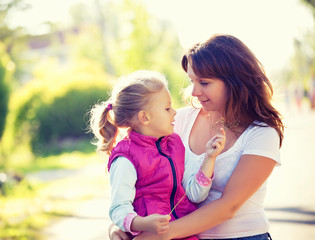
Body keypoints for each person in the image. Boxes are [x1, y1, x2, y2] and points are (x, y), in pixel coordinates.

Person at [109, 34, 284, 240]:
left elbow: (229, 206)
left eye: (204, 82)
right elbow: (144, 180)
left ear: (234, 80)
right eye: (192, 81)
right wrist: (120, 226)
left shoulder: (262, 133)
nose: (194, 91)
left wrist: (157, 236)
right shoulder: (178, 120)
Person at [88, 70, 226, 239]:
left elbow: (195, 195)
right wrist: (142, 223)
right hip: (149, 235)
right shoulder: (125, 158)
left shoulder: (175, 144)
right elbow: (118, 209)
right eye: (167, 108)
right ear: (144, 117)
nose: (175, 112)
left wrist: (209, 158)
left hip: (182, 232)